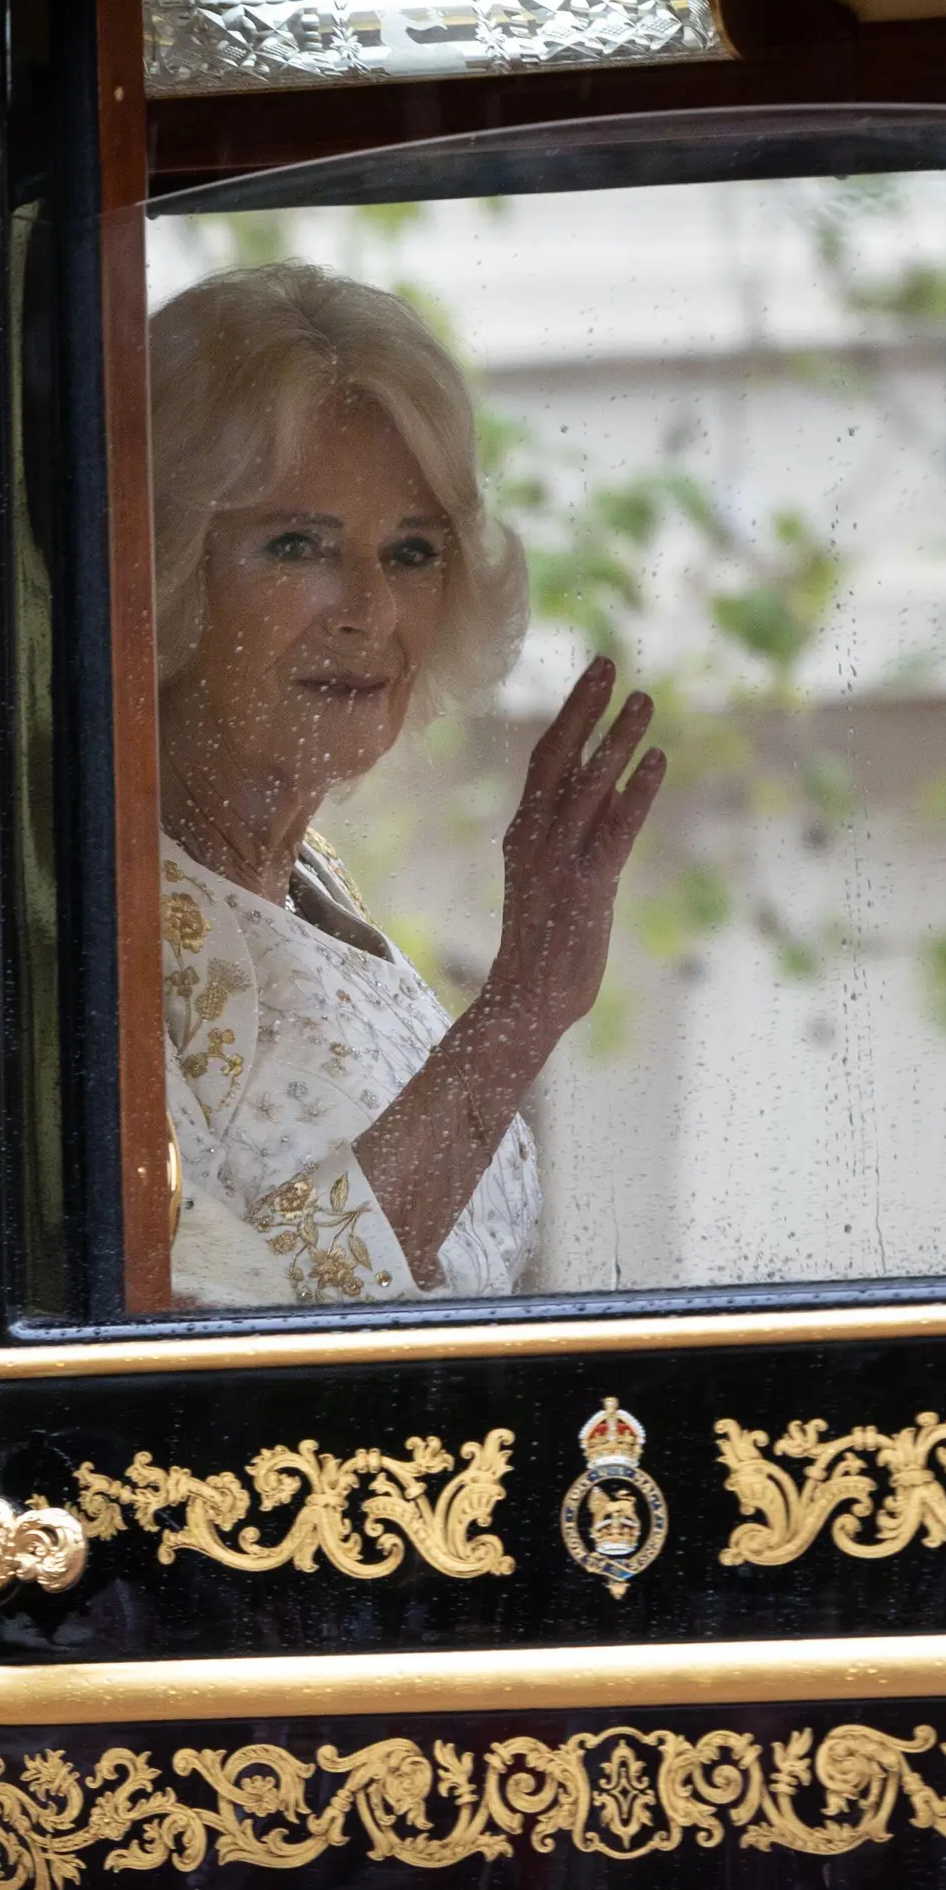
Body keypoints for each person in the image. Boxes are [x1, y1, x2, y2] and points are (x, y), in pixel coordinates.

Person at [150, 263, 663, 1309]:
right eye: (299, 544)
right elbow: (216, 1335)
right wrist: (515, 1017)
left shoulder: (314, 890)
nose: (371, 610)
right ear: (160, 565)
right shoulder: (98, 930)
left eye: (412, 551)